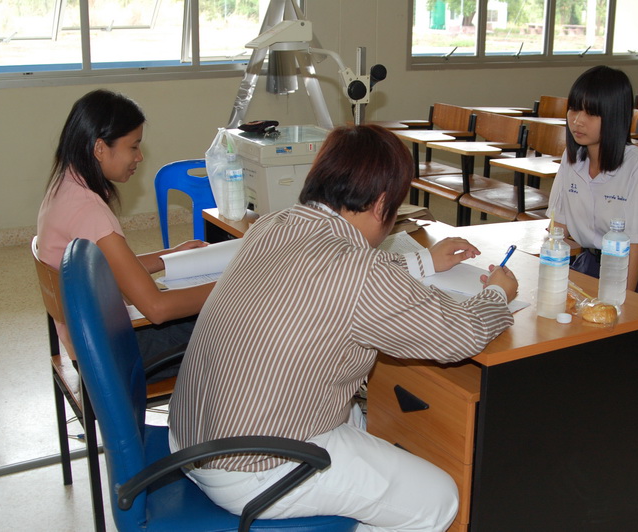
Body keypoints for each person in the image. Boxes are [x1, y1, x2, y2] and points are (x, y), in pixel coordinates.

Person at [168, 124, 518, 531]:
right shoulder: (359, 271)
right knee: (439, 500)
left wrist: (424, 262)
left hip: (191, 438)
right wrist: (498, 293)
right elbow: (459, 335)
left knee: (359, 418)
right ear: (382, 203)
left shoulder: (274, 224)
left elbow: (336, 277)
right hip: (252, 468)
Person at [37, 89, 215, 378]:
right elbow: (157, 308)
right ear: (99, 148)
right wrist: (233, 285)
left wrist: (170, 255)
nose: (139, 157)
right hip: (114, 357)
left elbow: (106, 267)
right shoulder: (89, 210)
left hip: (90, 343)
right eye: (133, 147)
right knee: (239, 323)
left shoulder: (65, 187)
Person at [546, 65, 638, 301]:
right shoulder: (572, 158)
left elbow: (636, 246)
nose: (577, 121)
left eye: (591, 113)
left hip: (630, 272)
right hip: (589, 263)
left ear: (615, 116)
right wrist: (548, 274)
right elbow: (557, 227)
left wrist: (621, 302)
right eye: (574, 109)